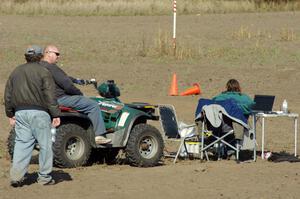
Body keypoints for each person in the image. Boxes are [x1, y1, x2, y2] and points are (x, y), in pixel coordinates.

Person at [4, 45, 61, 187]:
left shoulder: (16, 71)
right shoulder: (44, 71)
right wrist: (55, 113)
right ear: (41, 56)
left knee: (22, 144)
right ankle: (44, 178)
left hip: (21, 113)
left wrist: (10, 113)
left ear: (26, 56)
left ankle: (16, 177)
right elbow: (50, 95)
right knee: (45, 145)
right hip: (40, 113)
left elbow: (8, 94)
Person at [39, 45, 111, 144]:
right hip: (59, 99)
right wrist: (80, 94)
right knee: (93, 105)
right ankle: (99, 136)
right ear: (47, 53)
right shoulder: (52, 67)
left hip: (41, 101)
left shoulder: (38, 67)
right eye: (57, 54)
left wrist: (79, 81)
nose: (58, 56)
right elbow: (67, 85)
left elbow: (66, 78)